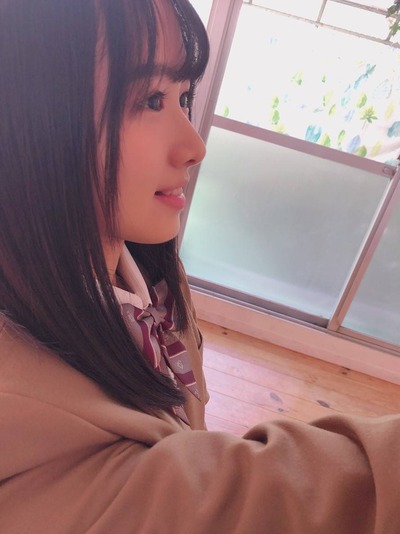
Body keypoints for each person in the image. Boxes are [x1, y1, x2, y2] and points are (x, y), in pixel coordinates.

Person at [0, 1, 399, 532]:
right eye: (151, 100)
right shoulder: (29, 428)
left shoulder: (151, 277)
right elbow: (286, 500)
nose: (195, 146)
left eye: (183, 97)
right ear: (30, 119)